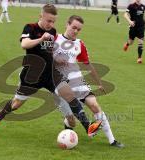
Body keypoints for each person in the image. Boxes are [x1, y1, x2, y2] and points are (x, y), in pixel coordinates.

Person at [0, 4, 101, 137]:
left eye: (53, 21)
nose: (51, 24)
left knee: (69, 94)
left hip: (50, 74)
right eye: (48, 20)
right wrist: (41, 38)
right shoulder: (30, 27)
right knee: (17, 103)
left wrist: (57, 60)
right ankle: (0, 116)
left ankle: (88, 127)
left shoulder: (52, 31)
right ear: (40, 16)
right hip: (32, 76)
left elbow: (49, 51)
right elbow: (24, 44)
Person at [53, 15, 124, 148]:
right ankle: (69, 124)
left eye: (78, 29)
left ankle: (112, 140)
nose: (75, 31)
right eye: (73, 27)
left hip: (77, 81)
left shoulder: (79, 44)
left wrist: (99, 82)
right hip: (59, 83)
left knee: (94, 105)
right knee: (72, 120)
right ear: (67, 25)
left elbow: (87, 64)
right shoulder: (55, 39)